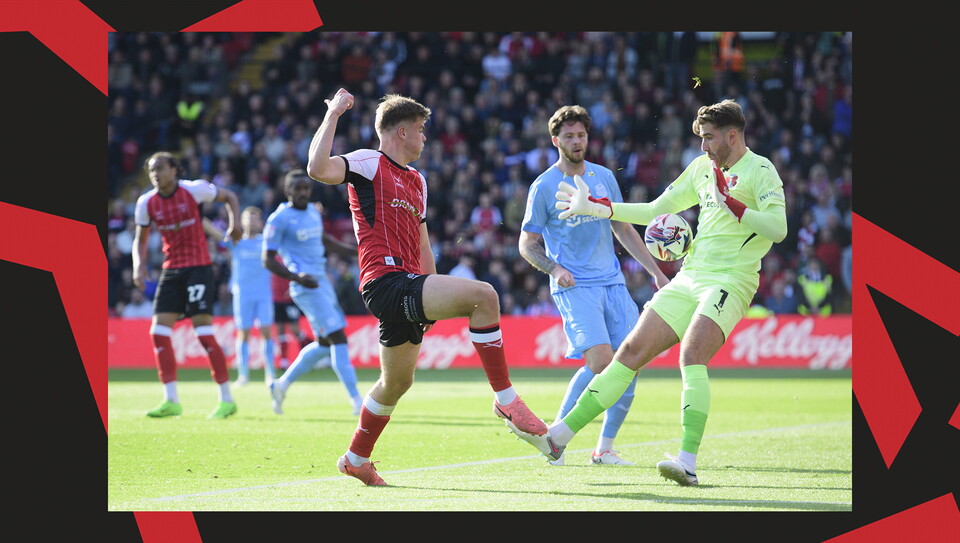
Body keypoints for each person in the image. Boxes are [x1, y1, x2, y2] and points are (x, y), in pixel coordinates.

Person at [512, 99, 787, 487]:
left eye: (709, 139)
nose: (703, 147)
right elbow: (655, 208)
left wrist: (737, 208)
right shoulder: (702, 168)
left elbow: (778, 229)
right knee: (628, 354)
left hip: (732, 279)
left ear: (732, 135)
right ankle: (558, 439)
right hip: (691, 275)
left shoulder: (761, 170)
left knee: (691, 355)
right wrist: (596, 207)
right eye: (701, 140)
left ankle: (687, 461)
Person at [307, 88, 548, 486]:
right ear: (401, 131)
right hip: (384, 281)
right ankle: (507, 402)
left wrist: (431, 291)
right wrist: (333, 113)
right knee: (485, 295)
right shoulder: (369, 162)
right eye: (420, 130)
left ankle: (355, 458)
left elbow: (422, 246)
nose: (424, 138)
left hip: (410, 283)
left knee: (397, 383)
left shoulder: (417, 180)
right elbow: (317, 168)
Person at [519, 105, 670, 466]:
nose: (576, 141)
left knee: (630, 362)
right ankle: (557, 435)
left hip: (613, 283)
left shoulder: (603, 177)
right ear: (555, 140)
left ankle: (604, 448)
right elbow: (526, 243)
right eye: (569, 136)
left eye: (581, 135)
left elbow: (621, 226)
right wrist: (554, 269)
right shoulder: (544, 186)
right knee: (602, 361)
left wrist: (656, 271)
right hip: (575, 286)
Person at [132, 151, 243, 419]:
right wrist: (138, 264)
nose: (156, 174)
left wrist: (235, 223)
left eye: (160, 168)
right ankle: (171, 400)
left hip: (198, 268)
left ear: (174, 170)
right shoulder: (146, 203)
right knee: (158, 332)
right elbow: (141, 239)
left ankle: (226, 400)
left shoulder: (194, 190)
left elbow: (229, 196)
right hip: (171, 271)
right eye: (151, 170)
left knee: (203, 334)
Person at [263, 169, 363, 416]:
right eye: (297, 188)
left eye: (305, 188)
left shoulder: (312, 212)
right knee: (338, 338)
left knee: (324, 343)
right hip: (305, 287)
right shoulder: (279, 219)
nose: (302, 192)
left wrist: (357, 251)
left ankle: (280, 385)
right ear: (288, 191)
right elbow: (267, 259)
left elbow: (325, 241)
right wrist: (296, 277)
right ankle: (357, 401)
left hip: (322, 283)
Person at [227, 206, 277, 387]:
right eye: (248, 217)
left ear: (261, 222)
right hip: (242, 294)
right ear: (242, 221)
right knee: (243, 334)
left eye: (255, 218)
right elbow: (216, 235)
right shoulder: (236, 241)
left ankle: (270, 374)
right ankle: (243, 375)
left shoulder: (266, 241)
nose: (252, 221)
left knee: (266, 332)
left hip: (263, 293)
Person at [270, 254, 310, 370]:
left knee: (295, 330)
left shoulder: (289, 256)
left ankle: (309, 356)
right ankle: (284, 360)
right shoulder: (271, 257)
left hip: (289, 299)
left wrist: (293, 287)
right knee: (280, 330)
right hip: (276, 299)